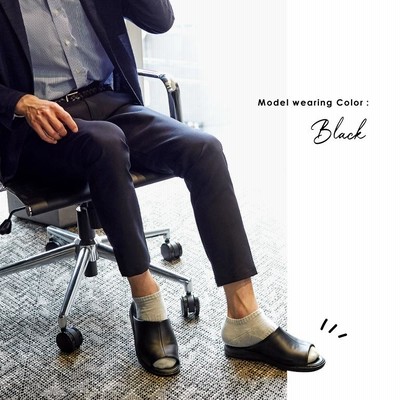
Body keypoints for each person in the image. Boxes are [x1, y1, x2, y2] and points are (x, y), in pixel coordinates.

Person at [0, 0, 325, 376]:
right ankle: (147, 304)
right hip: (38, 128)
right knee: (106, 144)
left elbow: (160, 21)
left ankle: (244, 320)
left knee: (204, 149)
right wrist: (20, 102)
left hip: (110, 104)